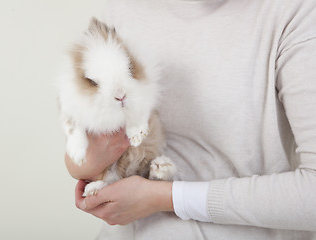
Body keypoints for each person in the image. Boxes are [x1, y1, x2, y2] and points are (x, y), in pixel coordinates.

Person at [65, 0, 316, 239]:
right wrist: (83, 166)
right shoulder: (124, 8)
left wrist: (166, 198)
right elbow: (84, 142)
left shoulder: (292, 13)